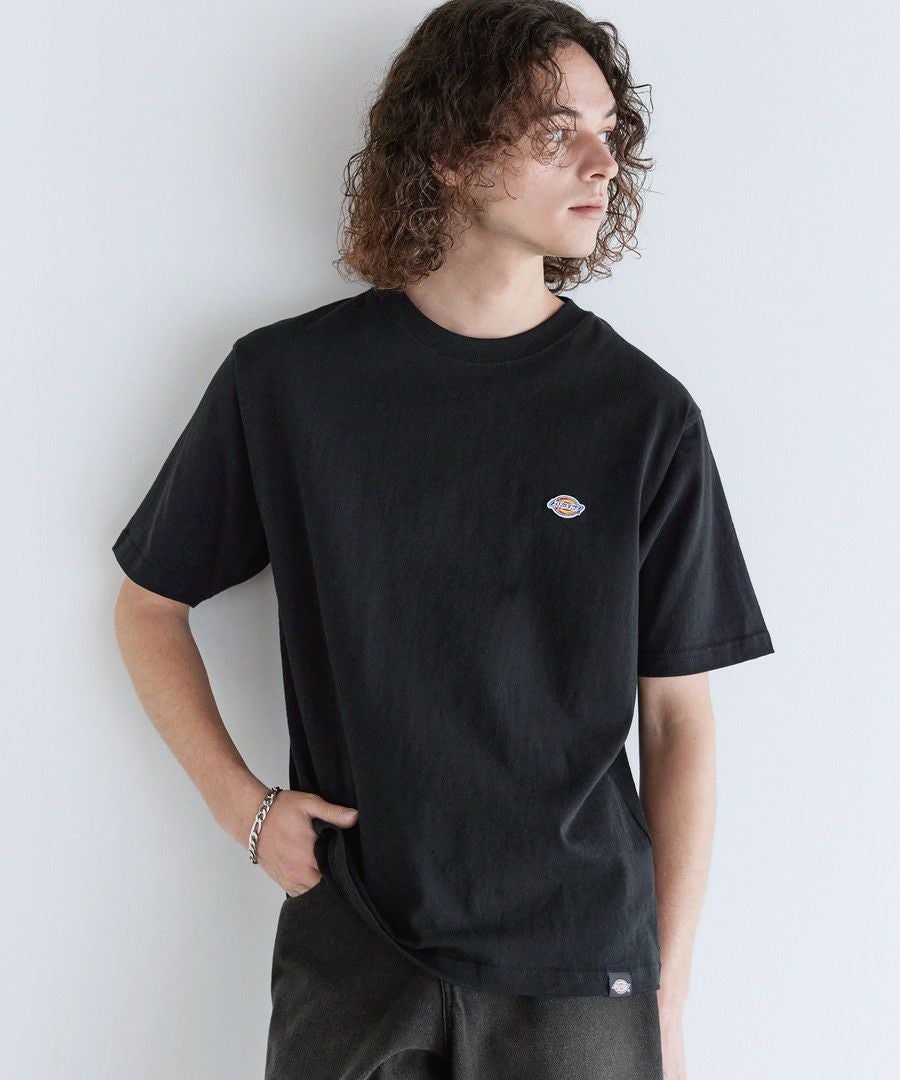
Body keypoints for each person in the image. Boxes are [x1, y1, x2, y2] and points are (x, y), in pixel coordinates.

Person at [111, 2, 774, 1078]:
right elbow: (149, 604)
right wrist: (246, 810)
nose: (604, 162)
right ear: (451, 153)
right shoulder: (291, 385)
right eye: (558, 131)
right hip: (355, 940)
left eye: (610, 131)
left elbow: (678, 717)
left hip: (578, 964)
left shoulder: (642, 416)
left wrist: (670, 987)